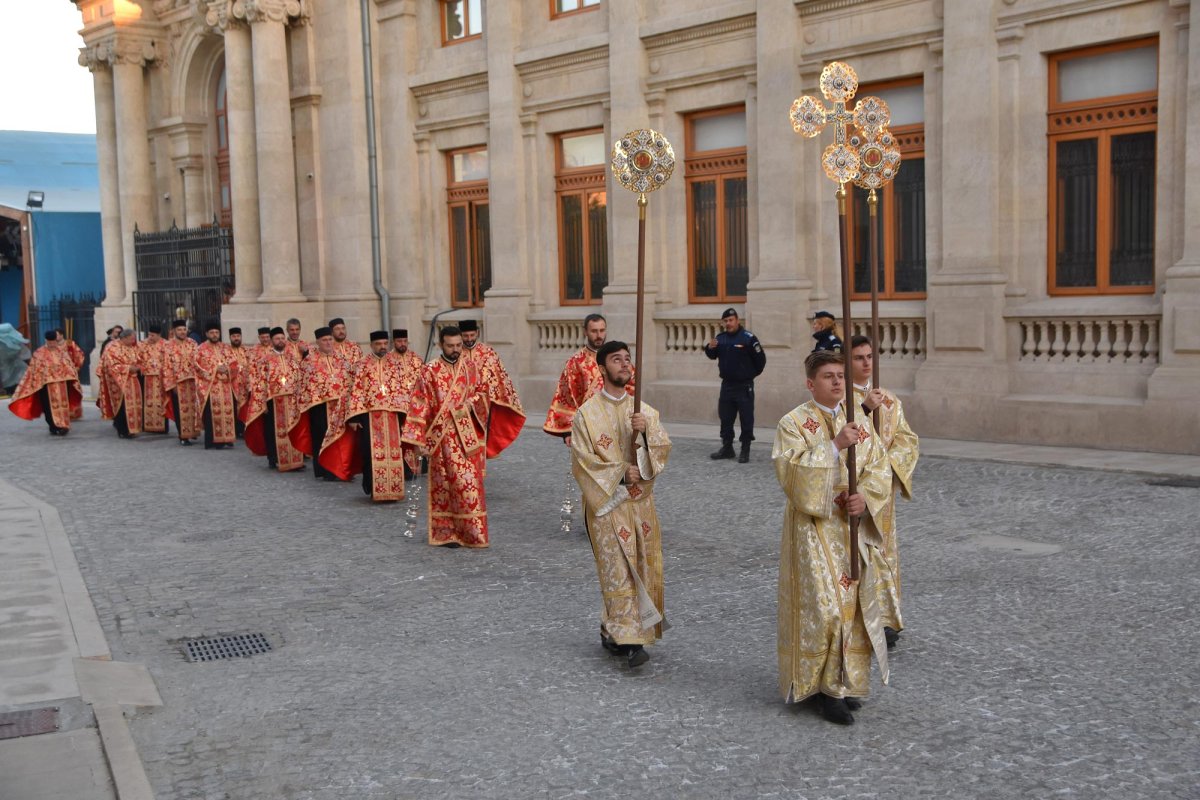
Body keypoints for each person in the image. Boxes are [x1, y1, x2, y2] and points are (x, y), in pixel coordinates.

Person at [773, 350, 894, 726]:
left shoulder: (859, 422)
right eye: (828, 376)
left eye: (841, 375)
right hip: (813, 528)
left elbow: (878, 468)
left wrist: (865, 499)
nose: (838, 382)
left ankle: (841, 685)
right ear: (811, 383)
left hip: (850, 527)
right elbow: (789, 473)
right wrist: (835, 447)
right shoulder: (792, 422)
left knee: (852, 607)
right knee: (825, 608)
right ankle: (821, 688)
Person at [570, 341, 671, 669]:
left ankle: (612, 629)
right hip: (607, 505)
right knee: (618, 570)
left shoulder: (646, 412)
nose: (625, 365)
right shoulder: (586, 415)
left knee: (640, 564)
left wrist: (643, 440)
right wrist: (618, 473)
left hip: (640, 505)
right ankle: (630, 640)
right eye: (617, 360)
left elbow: (662, 452)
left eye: (628, 359)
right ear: (602, 369)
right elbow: (582, 462)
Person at [401, 326, 522, 548]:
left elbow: (483, 394)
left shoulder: (470, 368)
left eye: (458, 345)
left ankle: (472, 533)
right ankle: (446, 533)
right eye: (451, 346)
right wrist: (416, 440)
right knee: (445, 486)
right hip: (441, 439)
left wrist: (472, 403)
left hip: (467, 435)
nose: (456, 350)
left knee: (469, 484)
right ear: (440, 345)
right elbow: (419, 404)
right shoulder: (429, 371)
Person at [850, 335, 919, 649]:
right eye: (859, 357)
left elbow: (906, 439)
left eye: (869, 356)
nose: (866, 363)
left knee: (885, 551)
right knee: (857, 551)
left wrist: (889, 468)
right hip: (854, 489)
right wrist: (864, 410)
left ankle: (887, 618)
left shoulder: (889, 400)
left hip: (883, 491)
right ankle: (858, 617)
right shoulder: (842, 399)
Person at [321, 330, 412, 500]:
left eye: (385, 344)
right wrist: (354, 418)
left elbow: (403, 391)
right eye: (378, 344)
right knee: (370, 452)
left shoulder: (395, 364)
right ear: (371, 345)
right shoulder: (361, 365)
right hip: (369, 417)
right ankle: (374, 487)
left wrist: (404, 415)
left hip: (392, 416)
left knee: (395, 452)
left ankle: (394, 488)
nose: (382, 347)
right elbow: (353, 391)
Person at [543, 313, 634, 444]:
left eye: (602, 330)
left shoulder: (617, 358)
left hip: (617, 423)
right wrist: (568, 432)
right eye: (594, 331)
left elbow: (631, 388)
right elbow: (567, 396)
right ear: (585, 332)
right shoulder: (576, 362)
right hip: (588, 426)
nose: (599, 335)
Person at [289, 327, 353, 481]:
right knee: (321, 437)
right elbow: (302, 385)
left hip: (340, 406)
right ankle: (325, 470)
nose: (328, 342)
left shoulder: (342, 360)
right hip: (319, 406)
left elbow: (350, 381)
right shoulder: (309, 362)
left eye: (330, 339)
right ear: (317, 342)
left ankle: (344, 468)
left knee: (343, 438)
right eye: (324, 340)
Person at [703, 307, 766, 463]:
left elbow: (760, 361)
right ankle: (727, 447)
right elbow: (712, 355)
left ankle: (745, 449)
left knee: (746, 418)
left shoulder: (748, 338)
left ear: (737, 320)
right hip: (727, 385)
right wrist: (709, 347)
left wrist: (749, 375)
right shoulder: (721, 338)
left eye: (731, 320)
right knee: (725, 417)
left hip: (744, 386)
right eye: (725, 321)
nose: (728, 323)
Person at [457, 319, 526, 453]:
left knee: (481, 438)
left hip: (484, 404)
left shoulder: (488, 352)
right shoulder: (456, 353)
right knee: (462, 438)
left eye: (472, 335)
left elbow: (500, 377)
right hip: (462, 403)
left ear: (477, 333)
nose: (469, 339)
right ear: (460, 335)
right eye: (465, 336)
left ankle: (479, 468)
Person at [243, 327, 305, 472]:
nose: (281, 341)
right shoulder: (265, 360)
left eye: (282, 338)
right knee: (272, 430)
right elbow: (259, 382)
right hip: (273, 400)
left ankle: (295, 460)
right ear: (271, 341)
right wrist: (262, 402)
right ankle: (274, 458)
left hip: (291, 400)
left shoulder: (292, 359)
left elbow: (299, 377)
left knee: (292, 428)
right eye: (277, 339)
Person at [8, 331, 83, 435]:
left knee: (63, 406)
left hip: (62, 385)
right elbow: (34, 370)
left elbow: (69, 365)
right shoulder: (39, 353)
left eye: (54, 342)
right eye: (50, 342)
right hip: (45, 386)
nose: (52, 344)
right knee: (48, 407)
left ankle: (64, 425)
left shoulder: (61, 352)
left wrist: (70, 376)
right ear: (46, 341)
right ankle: (53, 426)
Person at [194, 320, 239, 450]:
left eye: (216, 332)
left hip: (225, 386)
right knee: (211, 415)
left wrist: (228, 370)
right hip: (210, 387)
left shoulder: (226, 348)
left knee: (228, 412)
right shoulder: (200, 349)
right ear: (207, 333)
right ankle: (213, 441)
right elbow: (197, 367)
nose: (214, 335)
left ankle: (228, 438)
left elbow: (235, 363)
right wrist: (215, 370)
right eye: (212, 332)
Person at [97, 328, 143, 438]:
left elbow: (139, 359)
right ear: (125, 338)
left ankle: (132, 428)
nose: (133, 341)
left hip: (132, 380)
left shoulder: (132, 347)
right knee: (121, 406)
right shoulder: (112, 347)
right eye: (132, 338)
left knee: (134, 405)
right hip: (118, 382)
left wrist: (138, 366)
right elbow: (111, 365)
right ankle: (122, 430)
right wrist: (128, 368)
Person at [163, 319, 201, 446]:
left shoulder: (193, 343)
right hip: (178, 384)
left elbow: (199, 361)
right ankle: (183, 436)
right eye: (179, 330)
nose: (182, 332)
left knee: (193, 408)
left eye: (184, 329)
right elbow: (166, 366)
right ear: (174, 331)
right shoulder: (168, 346)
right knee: (181, 410)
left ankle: (193, 432)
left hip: (193, 382)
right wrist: (171, 384)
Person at [136, 325, 169, 434]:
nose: (150, 337)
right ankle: (147, 425)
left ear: (159, 335)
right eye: (149, 334)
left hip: (161, 378)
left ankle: (162, 427)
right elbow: (136, 358)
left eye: (153, 335)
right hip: (146, 378)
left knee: (161, 401)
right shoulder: (142, 344)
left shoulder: (166, 344)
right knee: (147, 402)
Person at [227, 327, 249, 438]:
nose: (236, 338)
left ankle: (243, 429)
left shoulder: (246, 351)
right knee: (234, 407)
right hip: (232, 384)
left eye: (238, 336)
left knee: (244, 406)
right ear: (230, 338)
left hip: (245, 384)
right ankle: (235, 430)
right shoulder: (226, 351)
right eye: (234, 336)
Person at [0, 322, 31, 395]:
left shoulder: (14, 342)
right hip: (18, 378)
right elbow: (27, 356)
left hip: (10, 378)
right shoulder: (15, 342)